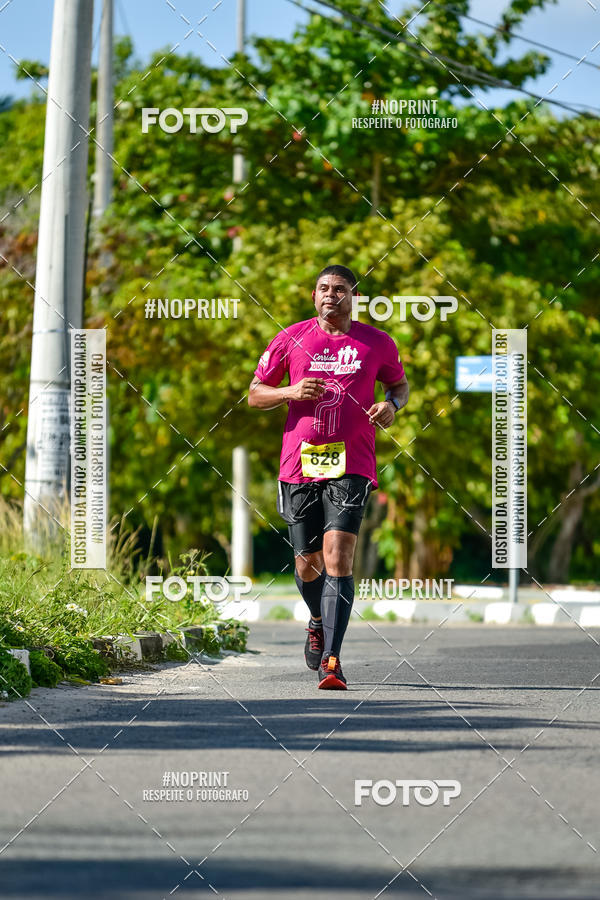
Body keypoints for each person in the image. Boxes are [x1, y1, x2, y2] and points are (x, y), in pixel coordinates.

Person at [248, 265, 409, 690]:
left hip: (352, 463)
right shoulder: (291, 337)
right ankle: (317, 619)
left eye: (339, 289)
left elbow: (399, 386)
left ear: (354, 296)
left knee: (338, 556)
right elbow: (254, 393)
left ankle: (332, 661)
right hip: (298, 464)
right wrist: (289, 392)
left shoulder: (377, 342)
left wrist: (393, 406)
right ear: (313, 294)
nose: (330, 295)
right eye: (323, 288)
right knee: (307, 565)